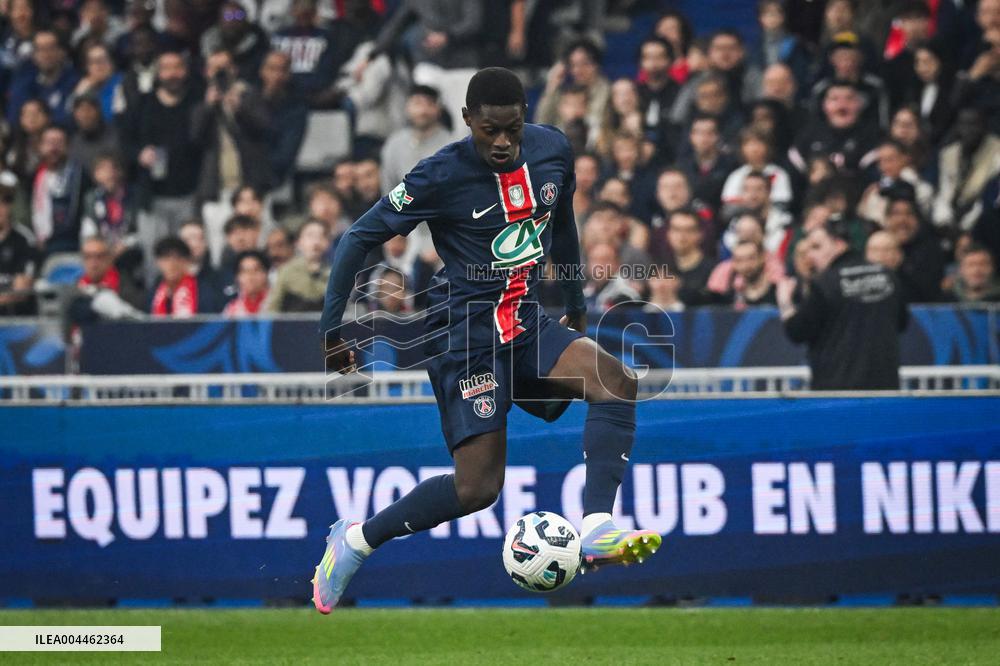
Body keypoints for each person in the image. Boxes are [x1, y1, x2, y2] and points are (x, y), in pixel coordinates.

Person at [314, 68, 659, 613]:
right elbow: (359, 236)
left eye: (512, 129)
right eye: (489, 130)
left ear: (526, 116)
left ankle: (596, 525)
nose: (502, 142)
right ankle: (355, 542)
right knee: (477, 490)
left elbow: (562, 223)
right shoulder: (439, 175)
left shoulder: (552, 151)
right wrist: (334, 331)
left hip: (523, 320)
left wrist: (572, 305)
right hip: (464, 334)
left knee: (615, 379)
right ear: (468, 119)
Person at [778, 218, 909, 391]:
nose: (810, 255)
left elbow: (798, 331)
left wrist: (785, 303)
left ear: (839, 245)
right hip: (885, 389)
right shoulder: (887, 276)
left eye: (816, 247)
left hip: (836, 393)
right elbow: (902, 324)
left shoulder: (825, 283)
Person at [268, 219, 330, 312]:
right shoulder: (286, 271)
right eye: (310, 236)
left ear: (327, 243)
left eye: (321, 236)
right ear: (299, 242)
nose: (316, 242)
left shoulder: (335, 273)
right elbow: (272, 309)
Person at [0, 183, 36, 316]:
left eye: (3, 203)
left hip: (15, 317)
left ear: (10, 206)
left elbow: (22, 289)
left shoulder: (24, 239)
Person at [224, 250, 271, 316]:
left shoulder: (277, 305)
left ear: (266, 274)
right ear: (237, 277)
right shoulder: (231, 311)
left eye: (256, 270)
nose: (250, 276)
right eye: (245, 271)